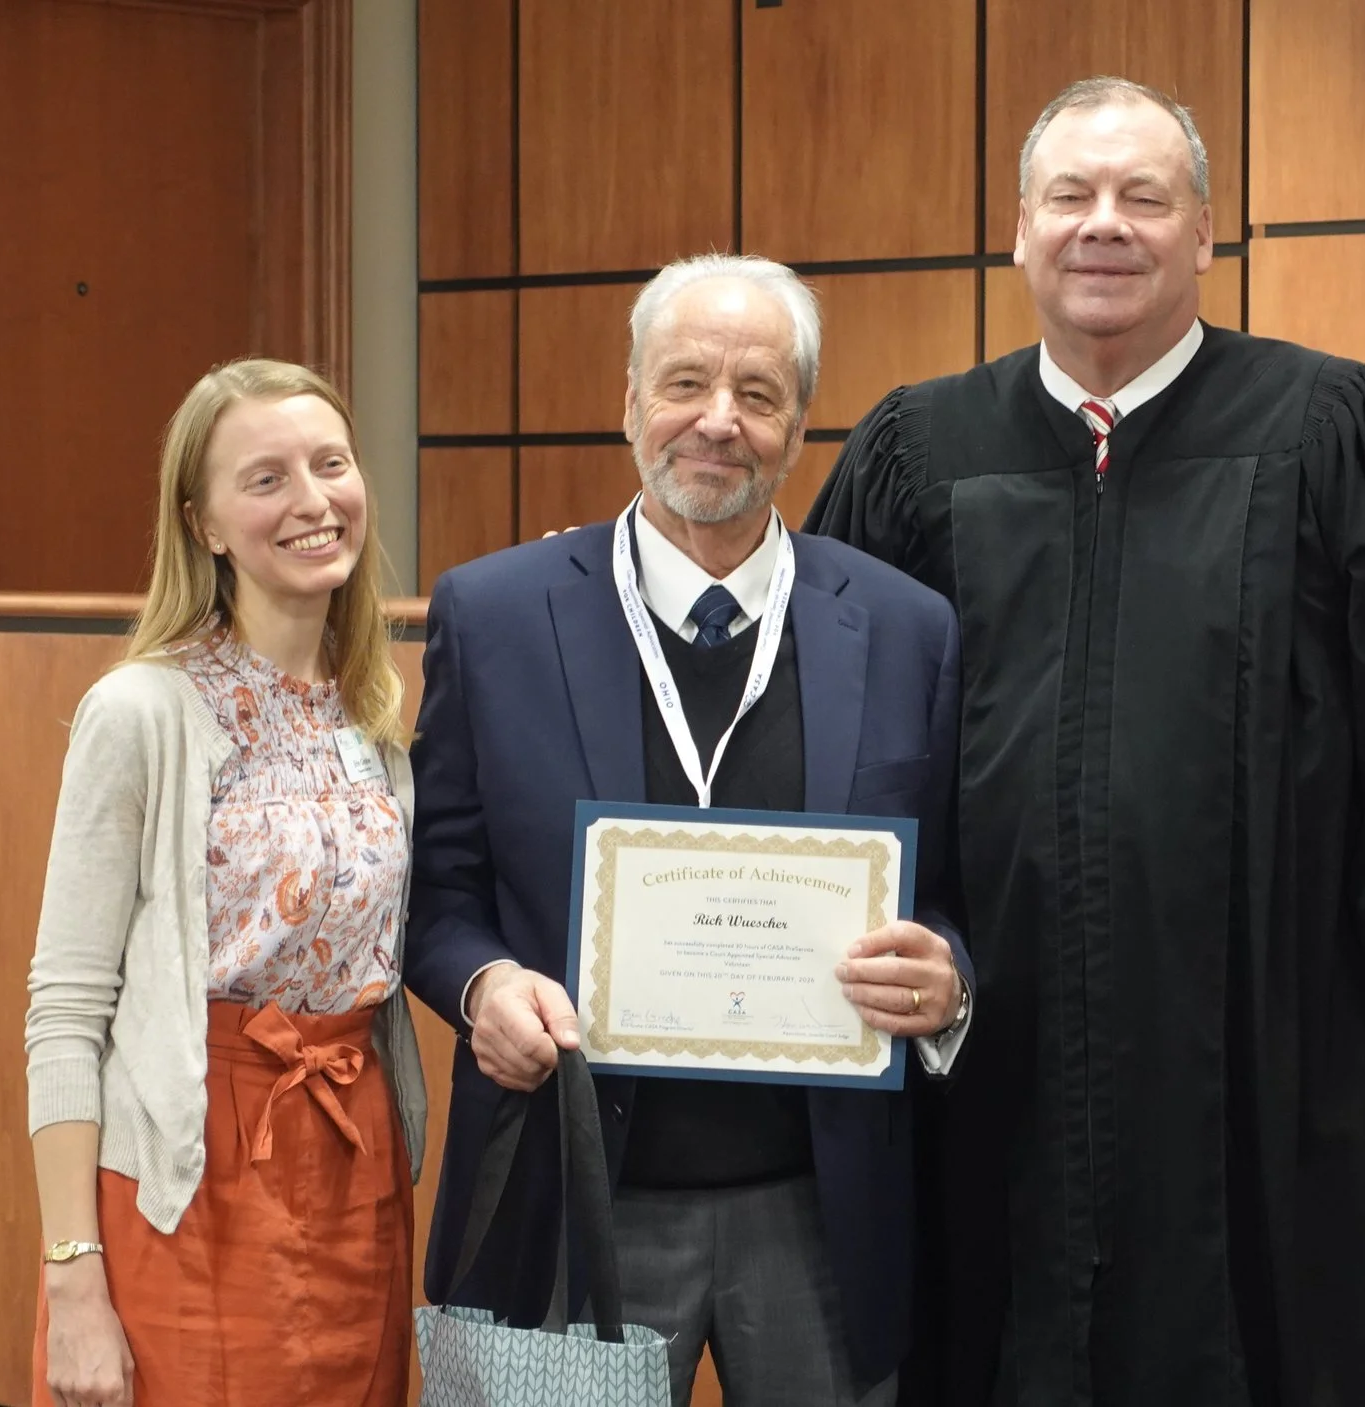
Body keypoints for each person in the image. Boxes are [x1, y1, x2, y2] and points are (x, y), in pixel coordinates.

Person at [805, 78, 1365, 1407]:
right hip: (983, 1055)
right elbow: (832, 743)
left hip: (1283, 1064)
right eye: (1070, 197)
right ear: (1019, 233)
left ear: (1206, 233)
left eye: (1143, 198)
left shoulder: (1340, 432)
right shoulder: (915, 448)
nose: (1103, 226)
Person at [405, 254, 972, 1407]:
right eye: (685, 384)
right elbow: (439, 893)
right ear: (628, 404)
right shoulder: (495, 613)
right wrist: (480, 989)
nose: (718, 421)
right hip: (574, 1200)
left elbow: (955, 888)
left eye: (758, 395)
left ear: (800, 426)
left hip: (819, 1211)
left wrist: (948, 982)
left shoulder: (908, 629)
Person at [23, 359, 429, 1407]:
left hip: (355, 1170)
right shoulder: (142, 711)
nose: (311, 501)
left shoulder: (372, 717)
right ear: (202, 522)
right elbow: (66, 1011)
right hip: (189, 1174)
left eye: (329, 465)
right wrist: (72, 1285)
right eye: (265, 479)